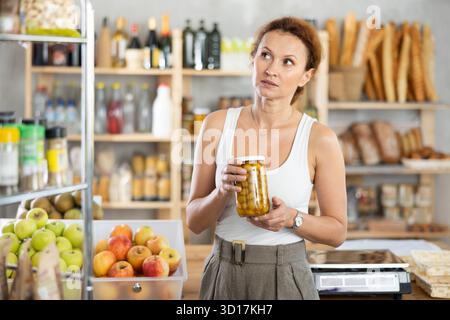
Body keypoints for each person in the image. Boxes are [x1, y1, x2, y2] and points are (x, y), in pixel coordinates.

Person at [186, 16, 347, 300]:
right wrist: (222, 192)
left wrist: (291, 218)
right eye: (265, 55)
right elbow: (195, 222)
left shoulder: (320, 139)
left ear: (305, 76)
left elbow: (337, 232)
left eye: (288, 62)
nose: (272, 69)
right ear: (253, 61)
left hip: (285, 275)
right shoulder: (216, 125)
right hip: (223, 273)